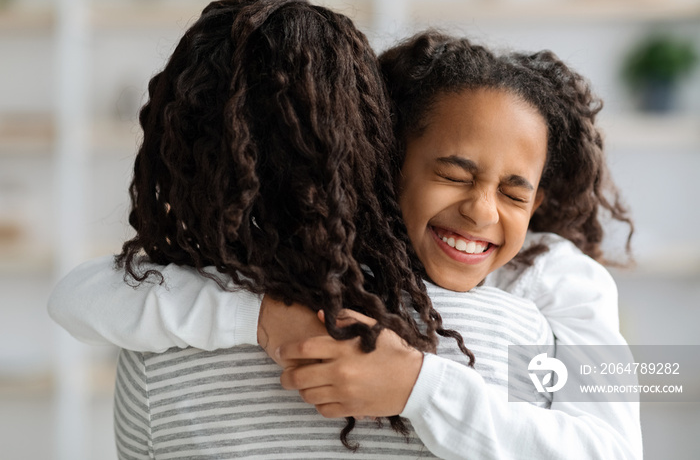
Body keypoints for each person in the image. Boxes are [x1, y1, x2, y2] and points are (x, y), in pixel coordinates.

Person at [48, 23, 642, 460]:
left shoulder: (559, 278)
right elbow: (80, 296)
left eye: (514, 194)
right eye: (454, 175)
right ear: (387, 165)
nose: (481, 211)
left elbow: (612, 449)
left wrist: (419, 387)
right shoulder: (317, 256)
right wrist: (262, 318)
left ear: (537, 202)